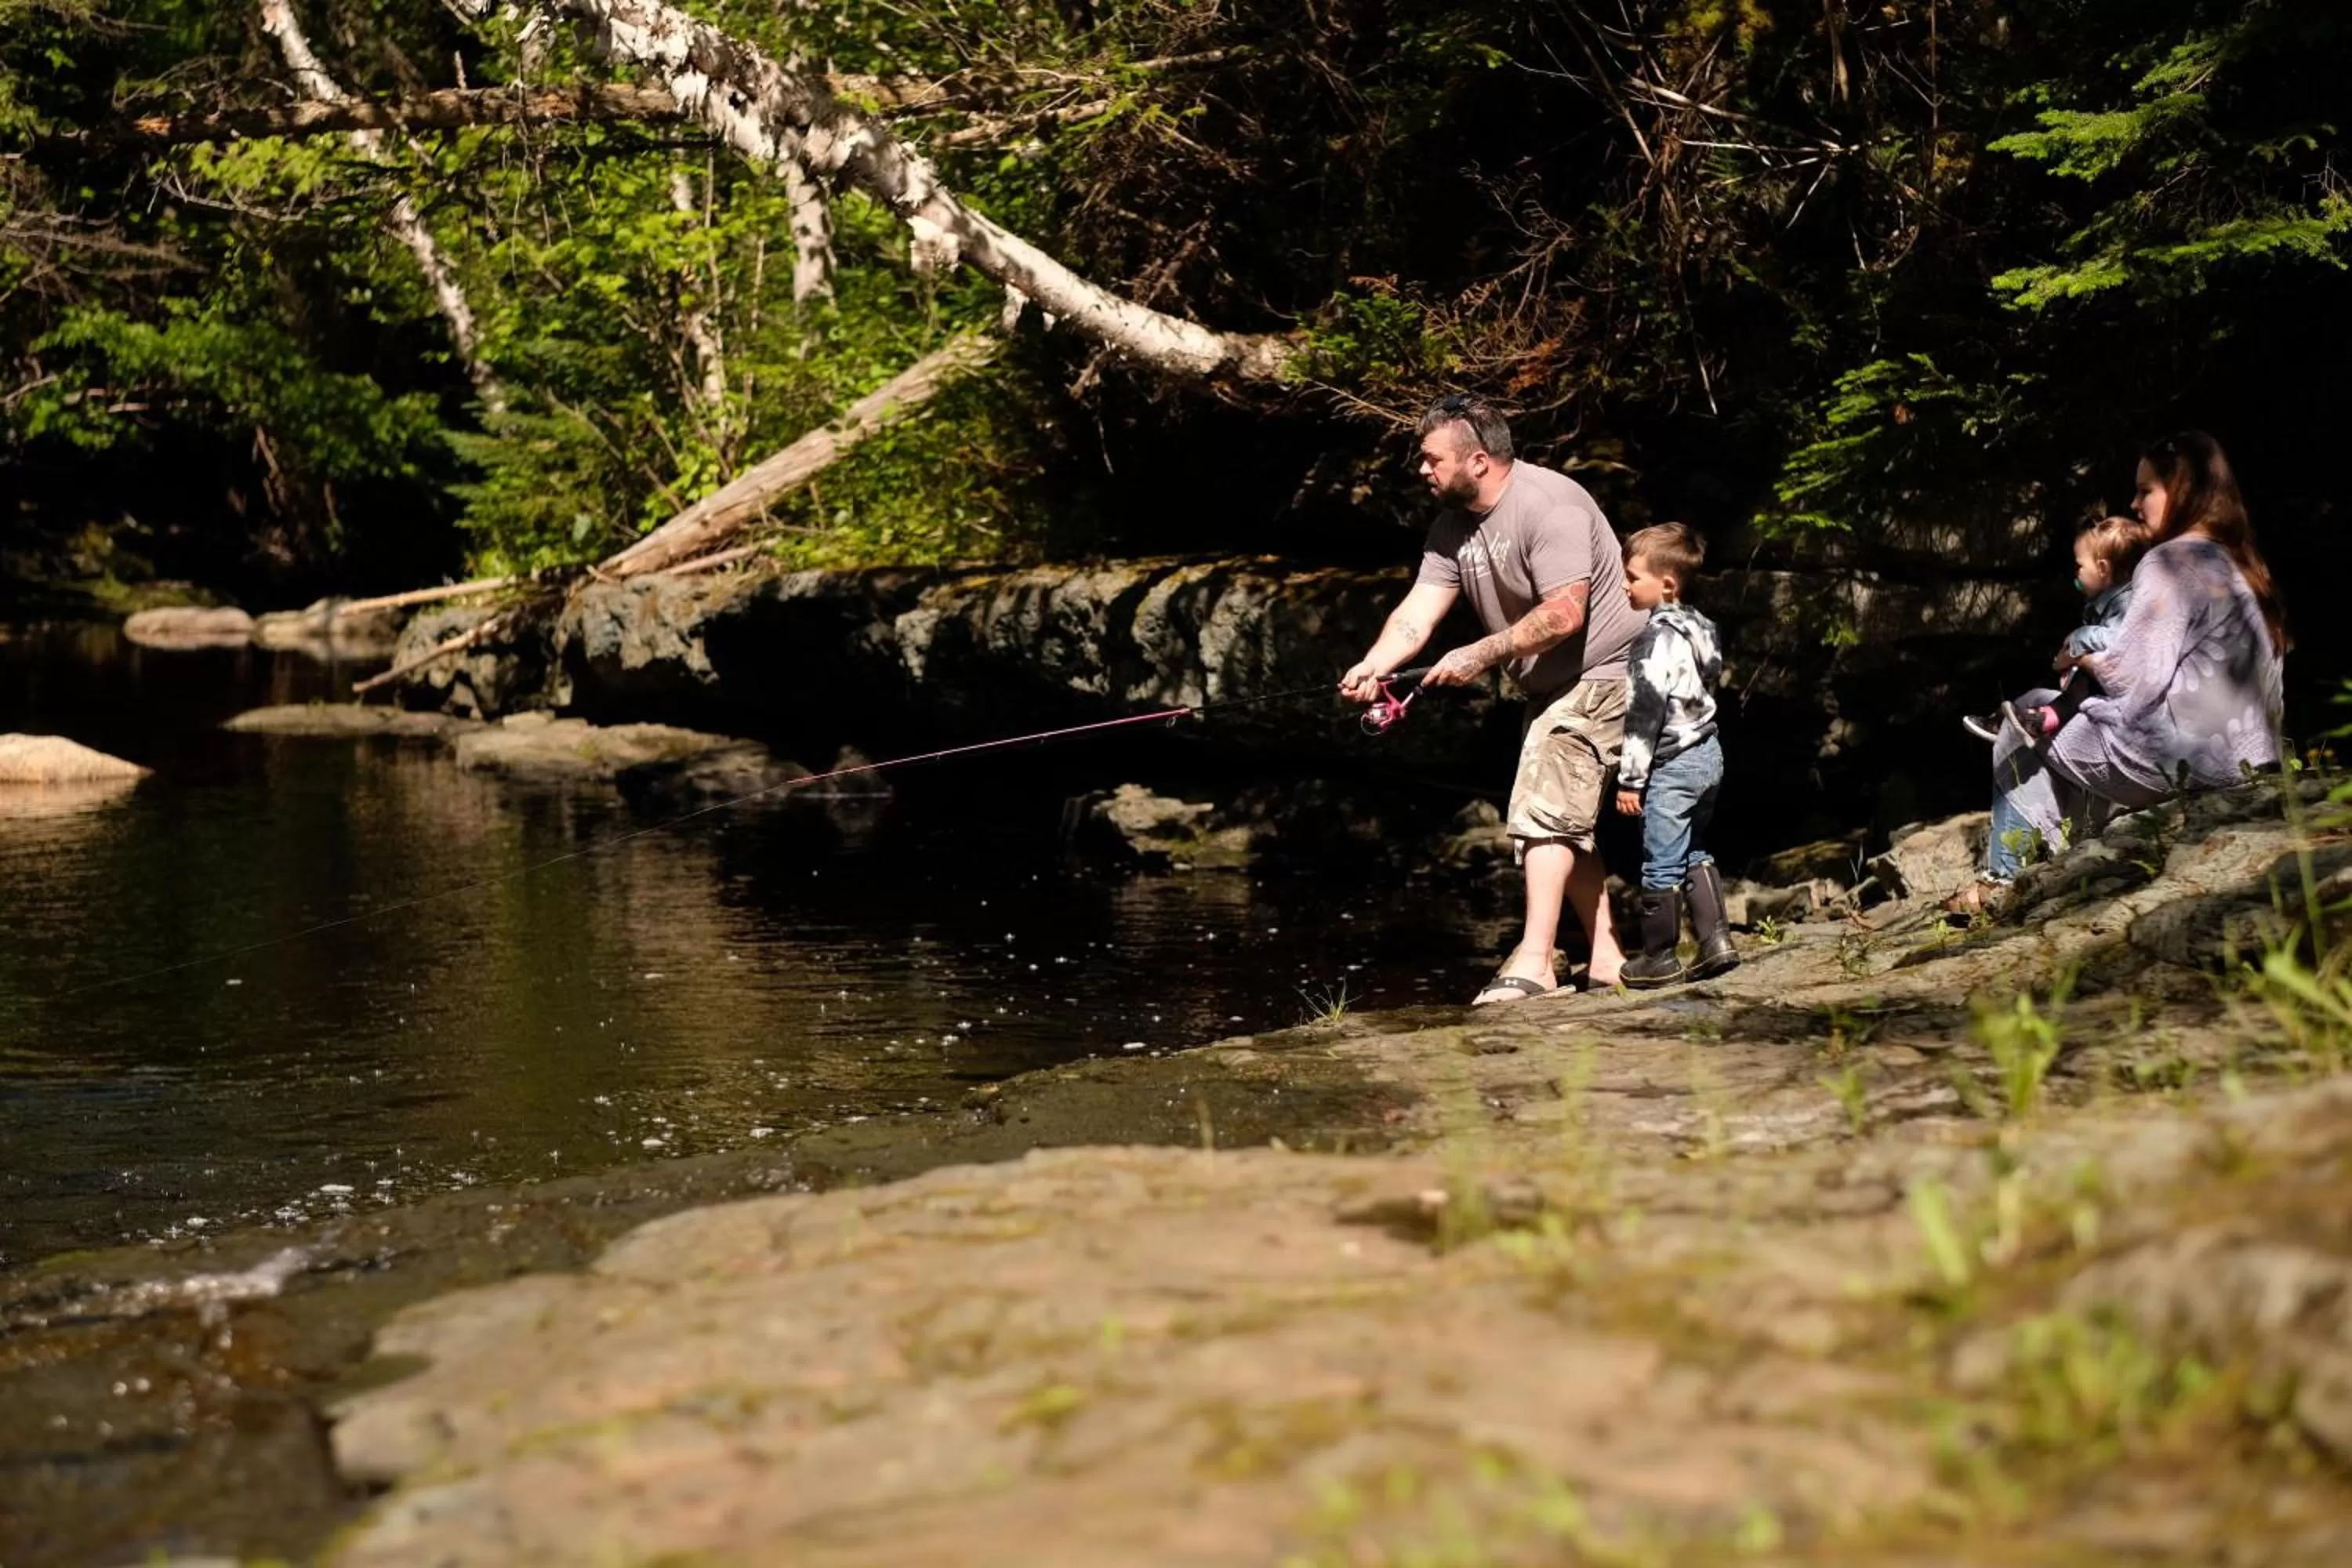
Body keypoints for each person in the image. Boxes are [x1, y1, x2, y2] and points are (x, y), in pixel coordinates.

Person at [1340, 394, 1646, 1004]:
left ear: (1478, 461)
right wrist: (1375, 666)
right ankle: (1608, 957)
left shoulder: (1549, 504)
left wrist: (1478, 654)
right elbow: (1419, 611)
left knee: (1542, 809)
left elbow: (1565, 612)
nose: (1422, 471)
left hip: (1611, 671)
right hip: (1555, 684)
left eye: (1432, 460)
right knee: (1564, 816)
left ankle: (1535, 964)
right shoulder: (1452, 526)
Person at [1948, 430, 2288, 912]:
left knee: (2023, 717)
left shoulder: (2170, 561)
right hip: (2252, 758)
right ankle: (2065, 861)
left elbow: (2135, 681)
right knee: (2059, 719)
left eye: (2146, 490)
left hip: (2185, 762)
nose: (2134, 502)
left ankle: (2005, 882)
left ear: (2184, 489)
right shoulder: (2241, 562)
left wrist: (2078, 659)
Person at [1613, 524, 1737, 988]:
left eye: (1632, 577)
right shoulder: (1704, 627)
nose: (1625, 586)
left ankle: (1659, 957)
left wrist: (1631, 780)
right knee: (1693, 847)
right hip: (1709, 753)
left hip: (1673, 763)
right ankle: (1715, 942)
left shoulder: (1651, 640)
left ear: (1667, 583)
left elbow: (1645, 712)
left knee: (1659, 858)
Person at [1961, 514, 2153, 743]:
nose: (2076, 572)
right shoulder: (2103, 601)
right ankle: (2008, 719)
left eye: (2080, 565)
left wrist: (2080, 639)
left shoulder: (2125, 602)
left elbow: (2119, 639)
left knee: (2079, 680)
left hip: (2118, 687)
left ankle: (2044, 719)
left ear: (2102, 568)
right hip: (2099, 678)